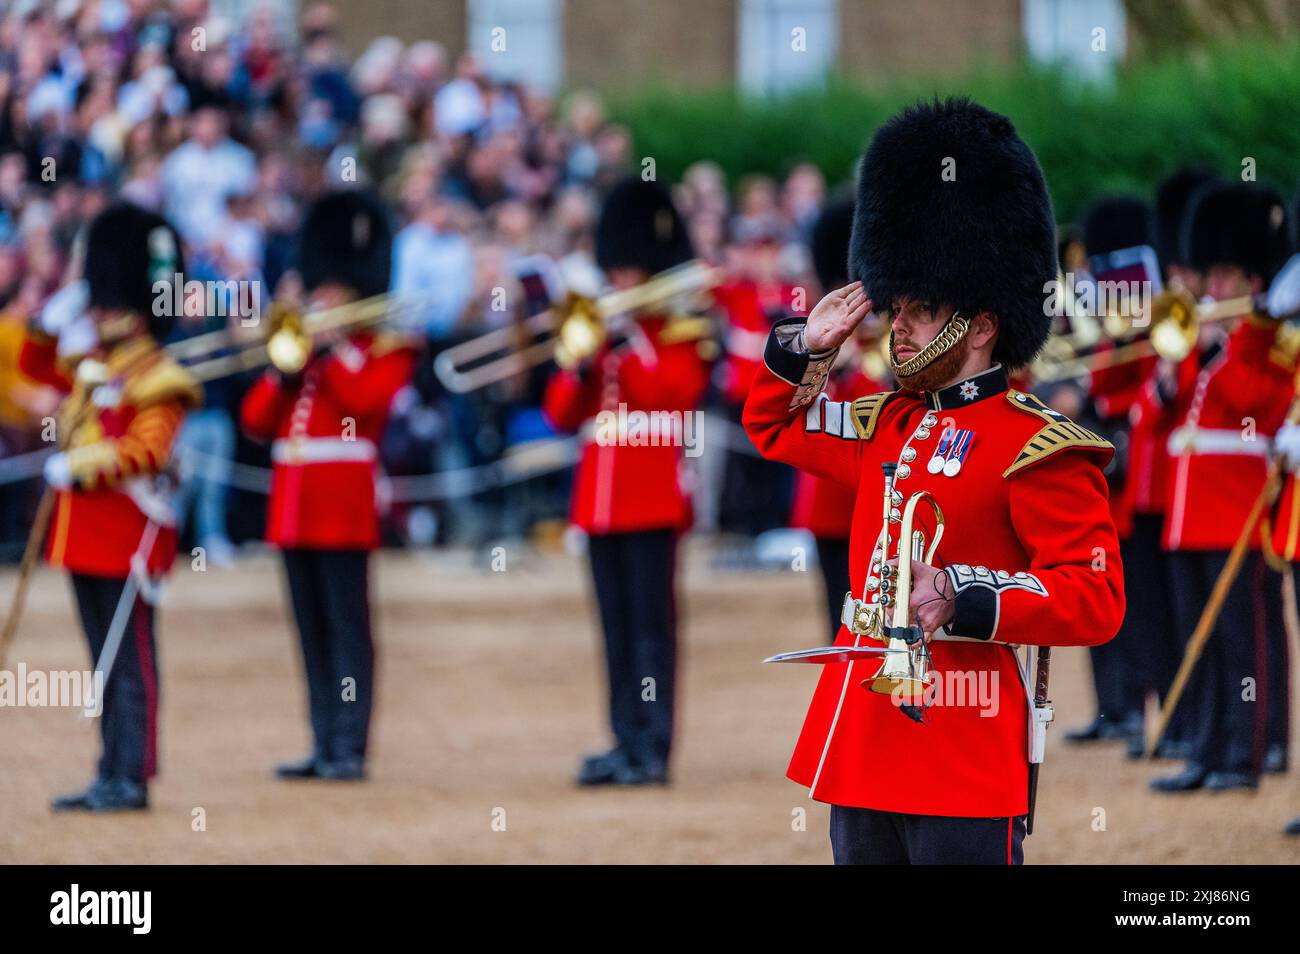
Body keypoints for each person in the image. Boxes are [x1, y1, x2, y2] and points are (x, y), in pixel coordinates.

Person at [743, 99, 1126, 864]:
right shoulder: (885, 421)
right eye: (900, 305)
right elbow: (775, 425)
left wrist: (965, 593)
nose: (899, 326)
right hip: (862, 740)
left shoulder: (1036, 445)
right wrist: (807, 350)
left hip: (962, 743)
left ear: (981, 325)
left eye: (922, 309)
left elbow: (1095, 597)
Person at [21, 203, 200, 812]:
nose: (98, 311)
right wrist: (51, 318)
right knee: (102, 658)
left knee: (129, 659)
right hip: (86, 534)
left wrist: (82, 464)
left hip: (128, 533)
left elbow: (147, 451)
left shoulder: (159, 375)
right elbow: (33, 364)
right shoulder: (98, 362)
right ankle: (109, 768)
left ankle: (134, 772)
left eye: (105, 297)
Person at [240, 189, 416, 781]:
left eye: (331, 289)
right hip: (294, 501)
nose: (321, 298)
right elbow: (257, 422)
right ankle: (321, 740)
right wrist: (285, 370)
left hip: (342, 499)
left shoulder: (382, 350)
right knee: (310, 629)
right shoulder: (302, 354)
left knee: (347, 627)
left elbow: (366, 404)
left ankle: (351, 743)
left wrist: (334, 349)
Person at [542, 177, 712, 786]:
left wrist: (632, 338)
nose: (619, 286)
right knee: (614, 629)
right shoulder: (598, 339)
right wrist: (582, 359)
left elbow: (676, 393)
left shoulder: (680, 337)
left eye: (629, 274)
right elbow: (560, 413)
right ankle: (622, 738)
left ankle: (653, 747)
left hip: (653, 496)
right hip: (600, 499)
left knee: (651, 629)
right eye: (615, 273)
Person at [1151, 182, 1293, 794]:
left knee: (1244, 642)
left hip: (1235, 507)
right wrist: (1180, 362)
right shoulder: (1211, 339)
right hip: (1192, 510)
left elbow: (1257, 405)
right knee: (1199, 640)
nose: (1213, 289)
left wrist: (1228, 346)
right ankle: (1208, 748)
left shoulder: (1269, 343)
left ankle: (1248, 752)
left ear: (1253, 280)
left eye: (1226, 276)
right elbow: (1171, 411)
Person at [1065, 195, 1155, 755]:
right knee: (1095, 592)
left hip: (1128, 466)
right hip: (1098, 466)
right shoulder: (1104, 315)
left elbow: (1134, 385)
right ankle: (1111, 705)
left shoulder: (1141, 314)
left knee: (1135, 602)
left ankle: (1137, 707)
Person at [788, 196, 887, 638]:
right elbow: (791, 409)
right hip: (829, 499)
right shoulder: (822, 338)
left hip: (884, 500)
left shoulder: (889, 341)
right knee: (840, 625)